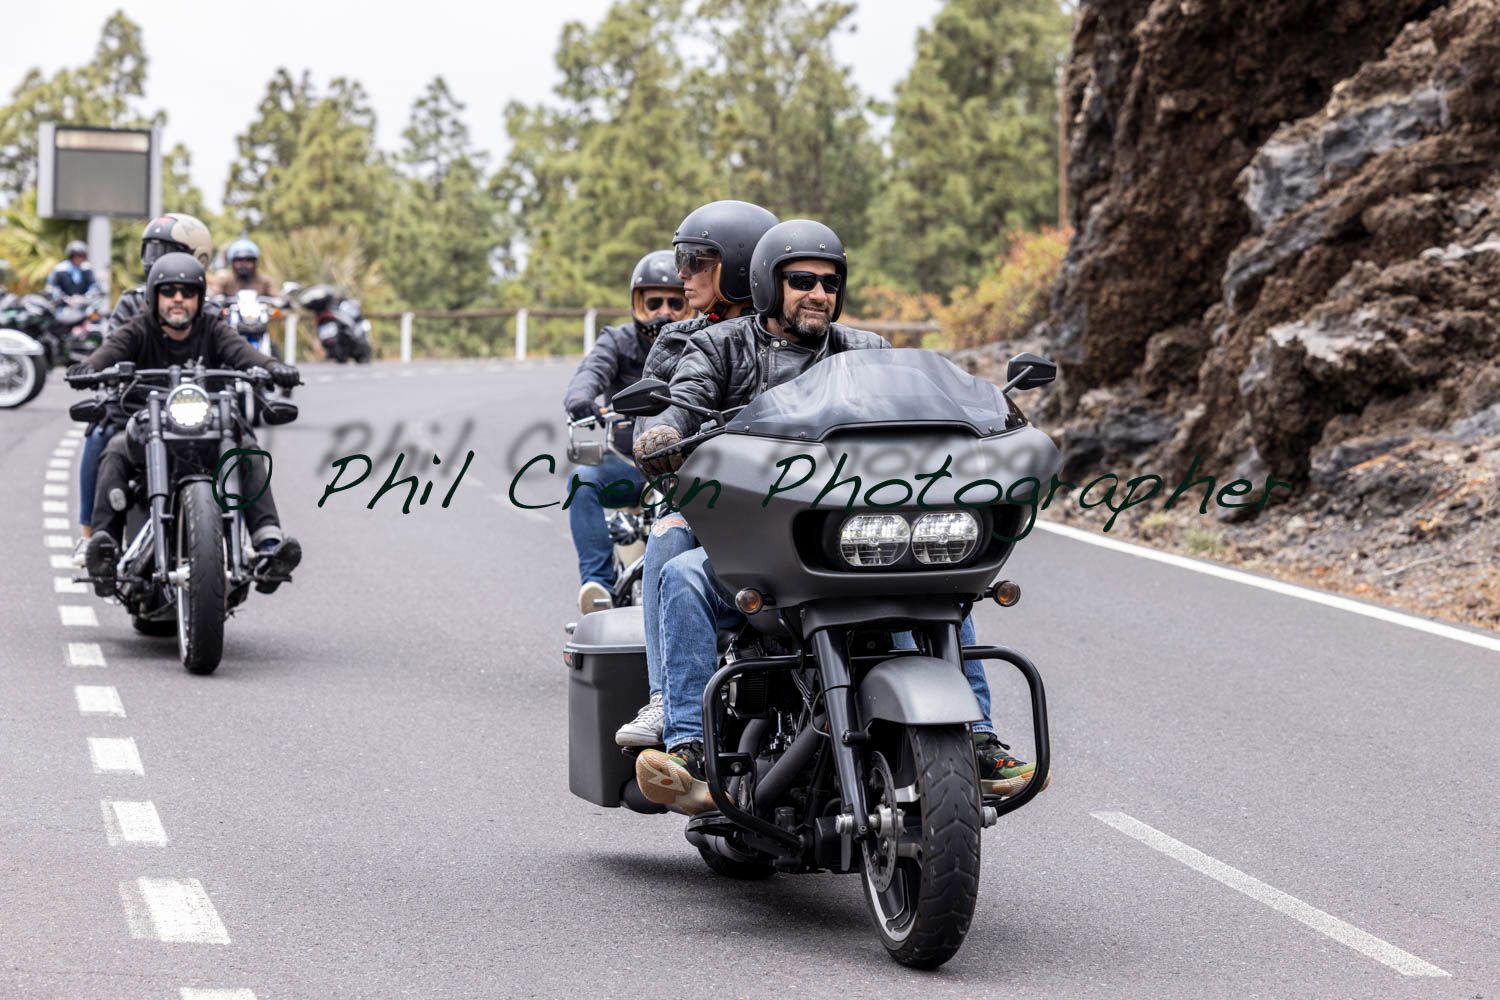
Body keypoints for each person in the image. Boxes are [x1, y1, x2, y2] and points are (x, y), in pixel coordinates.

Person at [631, 220, 1044, 813]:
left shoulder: (868, 350)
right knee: (681, 575)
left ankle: (977, 740)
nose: (818, 294)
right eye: (801, 281)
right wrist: (666, 432)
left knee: (943, 575)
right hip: (765, 543)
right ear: (770, 287)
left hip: (858, 529)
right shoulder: (718, 347)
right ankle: (690, 749)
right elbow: (684, 402)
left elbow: (927, 407)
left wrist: (989, 419)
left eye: (829, 283)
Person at [613, 200, 779, 748]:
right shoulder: (677, 340)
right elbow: (661, 409)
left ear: (737, 266)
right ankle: (665, 699)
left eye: (695, 261)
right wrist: (658, 436)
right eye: (682, 260)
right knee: (665, 538)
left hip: (789, 499)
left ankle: (974, 731)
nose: (681, 273)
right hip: (703, 498)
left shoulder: (794, 335)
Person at [70, 253, 302, 595]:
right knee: (116, 448)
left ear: (198, 298)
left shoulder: (212, 327)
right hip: (149, 426)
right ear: (155, 297)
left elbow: (241, 352)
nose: (178, 299)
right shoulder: (139, 329)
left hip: (205, 429)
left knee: (247, 449)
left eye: (187, 292)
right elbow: (111, 349)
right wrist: (90, 366)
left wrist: (271, 365)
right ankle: (104, 551)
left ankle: (268, 546)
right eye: (169, 291)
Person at [74, 213, 216, 566]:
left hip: (194, 408)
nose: (156, 259)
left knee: (240, 437)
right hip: (138, 403)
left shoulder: (207, 310)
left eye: (167, 250)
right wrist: (96, 368)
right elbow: (115, 344)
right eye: (152, 249)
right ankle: (90, 536)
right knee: (101, 435)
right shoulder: (133, 303)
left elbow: (230, 350)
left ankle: (255, 539)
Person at [563, 250, 692, 616]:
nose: (663, 311)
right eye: (653, 301)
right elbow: (591, 372)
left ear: (689, 305)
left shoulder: (702, 341)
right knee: (582, 480)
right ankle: (598, 586)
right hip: (628, 464)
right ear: (638, 303)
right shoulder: (618, 341)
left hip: (686, 469)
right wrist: (580, 398)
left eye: (675, 301)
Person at [210, 238, 275, 297]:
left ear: (255, 263)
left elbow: (276, 296)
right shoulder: (225, 280)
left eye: (248, 260)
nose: (244, 264)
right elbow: (213, 293)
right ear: (232, 263)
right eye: (239, 261)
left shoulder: (265, 281)